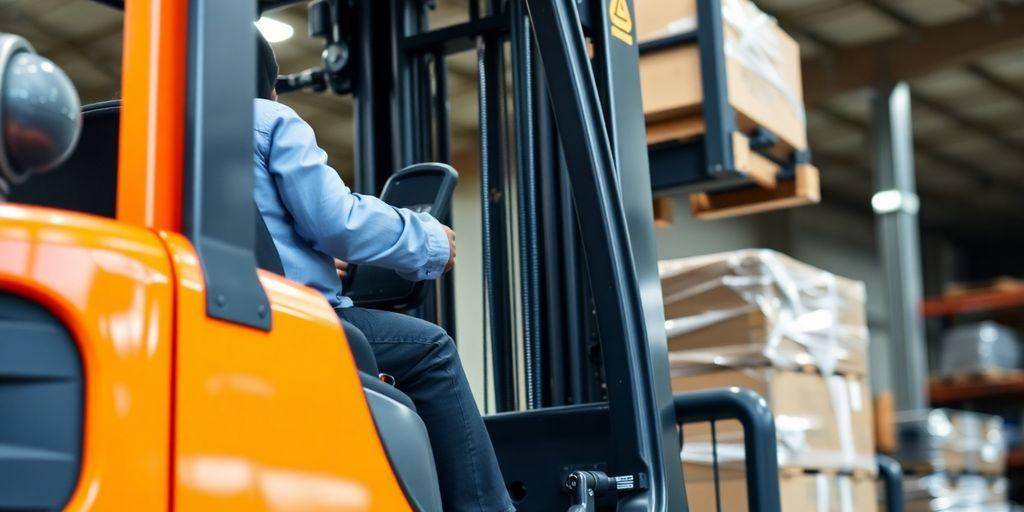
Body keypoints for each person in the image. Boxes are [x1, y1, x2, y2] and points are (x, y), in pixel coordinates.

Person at [253, 34, 515, 512]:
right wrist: (431, 240)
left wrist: (303, 258)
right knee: (433, 349)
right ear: (270, 88)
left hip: (204, 313)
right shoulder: (269, 121)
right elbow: (337, 220)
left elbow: (238, 227)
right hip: (290, 323)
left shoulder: (150, 135)